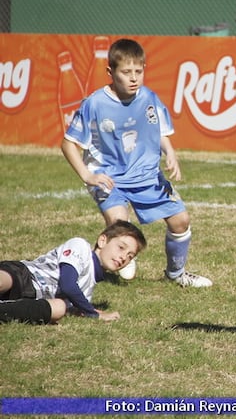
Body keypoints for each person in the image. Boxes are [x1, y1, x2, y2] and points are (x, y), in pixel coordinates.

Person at [61, 38, 212, 288]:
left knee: (181, 220)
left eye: (138, 72)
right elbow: (68, 143)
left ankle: (176, 274)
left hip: (147, 176)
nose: (133, 78)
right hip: (109, 177)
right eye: (126, 72)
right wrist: (87, 176)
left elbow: (160, 130)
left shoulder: (149, 98)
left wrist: (170, 153)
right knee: (120, 226)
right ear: (110, 72)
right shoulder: (94, 103)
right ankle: (85, 270)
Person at [0, 220, 147, 324]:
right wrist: (92, 313)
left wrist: (84, 311)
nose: (123, 257)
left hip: (31, 299)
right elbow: (67, 284)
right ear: (102, 241)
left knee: (59, 308)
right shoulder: (81, 247)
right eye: (121, 247)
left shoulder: (87, 290)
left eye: (130, 256)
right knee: (5, 280)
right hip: (25, 275)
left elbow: (73, 307)